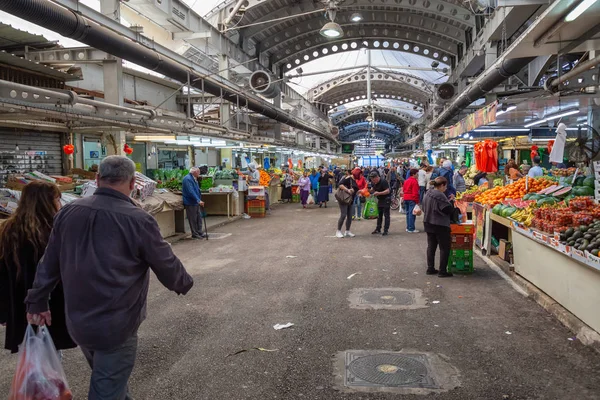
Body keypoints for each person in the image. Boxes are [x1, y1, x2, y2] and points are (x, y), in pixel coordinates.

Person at [25, 156, 194, 400]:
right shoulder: (138, 219)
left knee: (110, 379)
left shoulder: (69, 212)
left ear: (97, 179)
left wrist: (37, 300)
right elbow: (165, 262)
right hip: (117, 324)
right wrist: (183, 282)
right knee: (107, 388)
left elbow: (49, 262)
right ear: (133, 182)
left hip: (78, 322)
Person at [0, 181, 76, 354]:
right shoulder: (54, 231)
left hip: (19, 303)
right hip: (50, 304)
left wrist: (4, 310)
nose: (60, 204)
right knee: (49, 356)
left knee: (33, 354)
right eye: (58, 199)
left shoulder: (8, 230)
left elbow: (2, 275)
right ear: (47, 202)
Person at [422, 177, 454, 277]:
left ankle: (430, 268)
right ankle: (442, 271)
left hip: (428, 222)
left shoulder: (428, 193)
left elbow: (425, 206)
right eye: (445, 186)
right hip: (440, 224)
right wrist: (451, 202)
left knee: (431, 246)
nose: (446, 188)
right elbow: (447, 209)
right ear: (442, 185)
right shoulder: (440, 195)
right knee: (444, 248)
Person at [182, 167, 205, 239]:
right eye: (198, 172)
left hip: (195, 202)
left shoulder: (194, 178)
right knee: (193, 219)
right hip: (190, 202)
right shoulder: (188, 179)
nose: (199, 173)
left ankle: (199, 232)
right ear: (194, 172)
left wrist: (198, 200)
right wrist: (198, 200)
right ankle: (195, 234)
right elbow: (191, 191)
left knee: (199, 218)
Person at [336, 169, 359, 238]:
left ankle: (347, 231)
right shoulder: (348, 178)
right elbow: (340, 185)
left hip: (351, 200)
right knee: (343, 215)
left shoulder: (354, 179)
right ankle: (338, 231)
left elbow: (355, 189)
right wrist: (348, 190)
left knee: (350, 216)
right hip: (344, 199)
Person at [369, 171, 392, 236]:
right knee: (379, 215)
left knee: (386, 215)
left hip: (386, 199)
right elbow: (372, 189)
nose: (373, 181)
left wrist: (379, 193)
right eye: (372, 180)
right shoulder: (373, 183)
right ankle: (378, 228)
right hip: (380, 200)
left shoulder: (383, 181)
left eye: (374, 180)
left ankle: (386, 230)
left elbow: (387, 191)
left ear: (377, 177)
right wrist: (369, 191)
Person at [403, 168, 420, 233]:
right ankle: (411, 228)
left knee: (408, 213)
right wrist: (417, 201)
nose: (417, 175)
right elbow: (415, 193)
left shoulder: (406, 181)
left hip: (406, 198)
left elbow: (404, 190)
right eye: (417, 174)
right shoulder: (414, 181)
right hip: (412, 198)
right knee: (412, 214)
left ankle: (408, 227)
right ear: (413, 174)